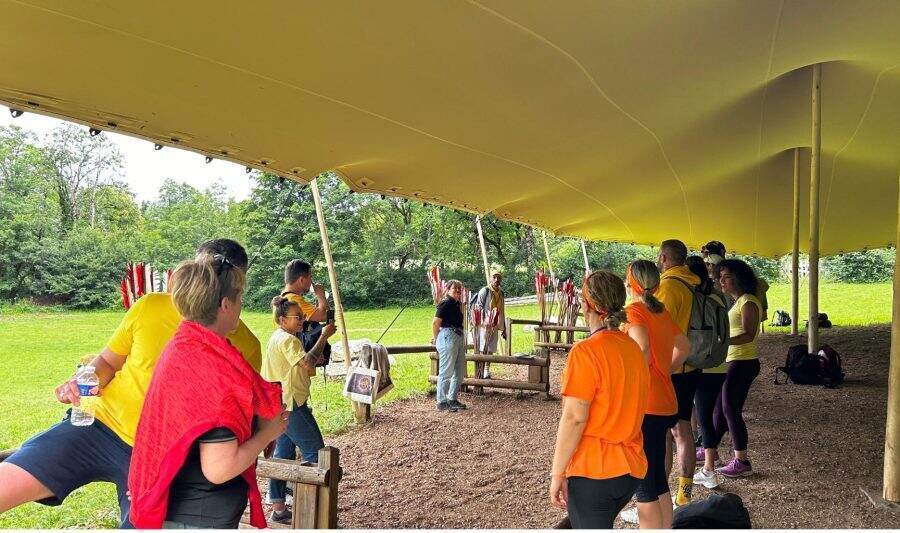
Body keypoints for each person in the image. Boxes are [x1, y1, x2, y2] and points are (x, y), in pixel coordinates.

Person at [0, 239, 261, 527]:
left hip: (157, 459)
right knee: (9, 482)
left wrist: (165, 476)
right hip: (99, 426)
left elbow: (225, 427)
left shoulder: (246, 346)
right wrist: (83, 380)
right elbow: (109, 362)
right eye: (205, 274)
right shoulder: (151, 306)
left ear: (238, 287)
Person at [128, 256, 286, 529]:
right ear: (225, 304)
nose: (240, 306)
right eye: (239, 298)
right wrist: (269, 433)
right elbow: (219, 469)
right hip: (198, 517)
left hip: (179, 508)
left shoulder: (183, 347)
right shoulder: (214, 372)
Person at [549, 270, 649, 529]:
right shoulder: (632, 348)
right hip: (630, 470)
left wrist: (557, 473)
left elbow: (574, 418)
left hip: (594, 472)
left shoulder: (586, 352)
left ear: (585, 306)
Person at [621, 261, 691, 528]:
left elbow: (642, 347)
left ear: (632, 284)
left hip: (647, 403)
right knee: (657, 477)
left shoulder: (634, 311)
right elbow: (684, 346)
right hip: (665, 400)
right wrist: (665, 369)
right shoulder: (660, 311)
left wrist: (630, 384)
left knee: (644, 478)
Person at [265, 296, 335, 524]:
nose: (303, 321)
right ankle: (311, 510)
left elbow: (305, 362)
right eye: (298, 317)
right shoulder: (288, 340)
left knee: (282, 456)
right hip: (292, 404)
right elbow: (307, 363)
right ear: (283, 319)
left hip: (279, 403)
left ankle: (278, 507)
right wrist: (324, 335)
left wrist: (314, 355)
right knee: (317, 454)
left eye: (302, 316)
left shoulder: (279, 337)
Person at [654, 239, 700, 506]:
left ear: (663, 258)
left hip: (672, 368)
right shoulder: (695, 282)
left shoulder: (670, 286)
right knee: (684, 430)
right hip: (692, 365)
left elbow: (659, 326)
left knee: (666, 434)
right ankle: (685, 493)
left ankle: (658, 497)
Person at [709, 259, 762, 478]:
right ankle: (709, 448)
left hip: (743, 361)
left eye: (725, 276)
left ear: (739, 278)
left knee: (730, 409)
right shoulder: (737, 301)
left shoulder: (748, 301)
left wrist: (722, 341)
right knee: (720, 410)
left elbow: (749, 334)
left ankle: (742, 461)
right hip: (734, 361)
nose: (721, 281)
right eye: (719, 277)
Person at [685, 256, 729, 490]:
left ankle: (708, 469)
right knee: (704, 415)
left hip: (697, 363)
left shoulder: (690, 296)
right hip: (719, 362)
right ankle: (706, 460)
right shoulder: (717, 294)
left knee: (702, 419)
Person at [431, 280, 467, 412]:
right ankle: (441, 401)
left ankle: (452, 399)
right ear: (448, 290)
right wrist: (437, 339)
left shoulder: (457, 304)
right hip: (448, 336)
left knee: (459, 370)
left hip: (457, 336)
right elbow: (435, 323)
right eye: (454, 288)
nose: (457, 290)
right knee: (446, 372)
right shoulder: (445, 303)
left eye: (459, 288)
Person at [474, 270, 506, 378]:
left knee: (491, 348)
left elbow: (502, 310)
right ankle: (481, 369)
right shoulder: (485, 291)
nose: (497, 280)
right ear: (490, 278)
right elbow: (478, 306)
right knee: (484, 347)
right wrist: (484, 322)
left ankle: (487, 369)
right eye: (494, 277)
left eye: (499, 277)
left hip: (495, 324)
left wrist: (503, 327)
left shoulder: (501, 293)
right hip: (485, 324)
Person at [276, 259, 329, 324]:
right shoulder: (293, 299)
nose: (312, 282)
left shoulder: (283, 297)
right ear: (301, 280)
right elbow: (325, 316)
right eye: (310, 277)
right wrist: (321, 294)